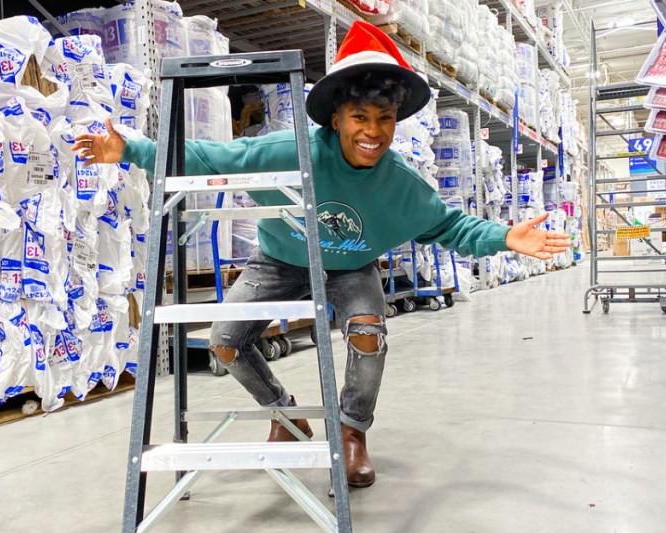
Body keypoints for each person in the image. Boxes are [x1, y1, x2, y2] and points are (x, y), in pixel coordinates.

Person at [74, 20, 572, 488]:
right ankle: (285, 415)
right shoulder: (290, 151)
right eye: (359, 117)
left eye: (385, 119)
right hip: (279, 260)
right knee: (224, 340)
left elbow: (449, 225)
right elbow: (209, 156)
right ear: (336, 119)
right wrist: (134, 150)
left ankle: (351, 432)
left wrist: (505, 237)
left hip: (351, 266)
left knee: (368, 330)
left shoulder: (400, 184)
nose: (372, 132)